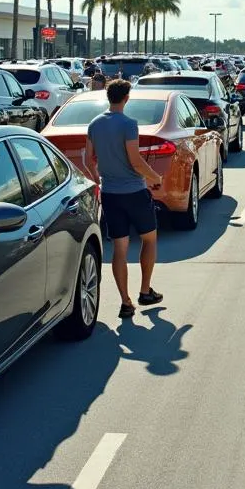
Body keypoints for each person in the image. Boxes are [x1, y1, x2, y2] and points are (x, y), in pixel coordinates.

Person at [84, 78, 164, 318]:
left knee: (120, 247)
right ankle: (145, 290)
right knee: (149, 239)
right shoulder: (129, 124)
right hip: (134, 192)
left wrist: (99, 180)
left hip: (110, 194)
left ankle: (126, 302)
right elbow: (135, 161)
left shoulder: (95, 124)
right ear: (126, 98)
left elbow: (89, 160)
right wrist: (155, 177)